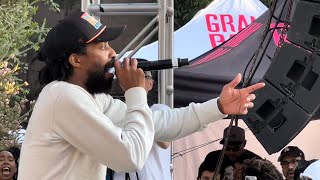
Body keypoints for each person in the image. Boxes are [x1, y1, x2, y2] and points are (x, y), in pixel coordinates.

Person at [18, 11, 265, 180]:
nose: (113, 53)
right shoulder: (62, 96)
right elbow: (129, 157)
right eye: (102, 47)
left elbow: (161, 125)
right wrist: (136, 92)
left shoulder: (92, 99)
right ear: (76, 59)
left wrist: (219, 107)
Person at [111, 69, 172, 180]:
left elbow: (165, 143)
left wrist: (137, 103)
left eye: (143, 76)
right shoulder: (115, 110)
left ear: (151, 84)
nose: (135, 78)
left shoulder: (160, 110)